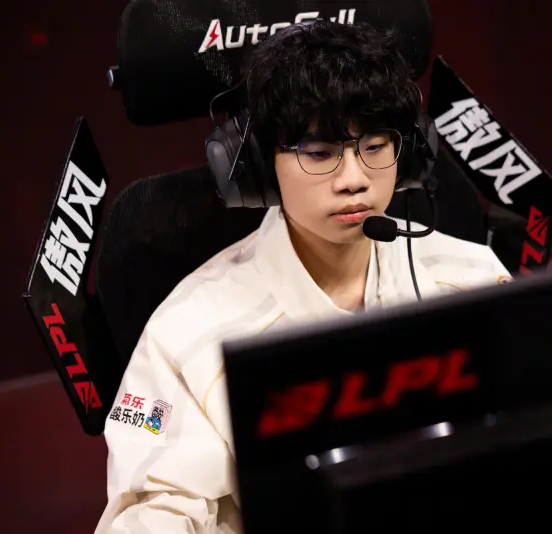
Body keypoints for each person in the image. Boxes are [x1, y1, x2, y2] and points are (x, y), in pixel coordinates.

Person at [95, 19, 512, 534]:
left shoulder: (472, 281)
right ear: (260, 164)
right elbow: (154, 512)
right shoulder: (186, 333)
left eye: (375, 146)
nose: (354, 179)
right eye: (320, 153)